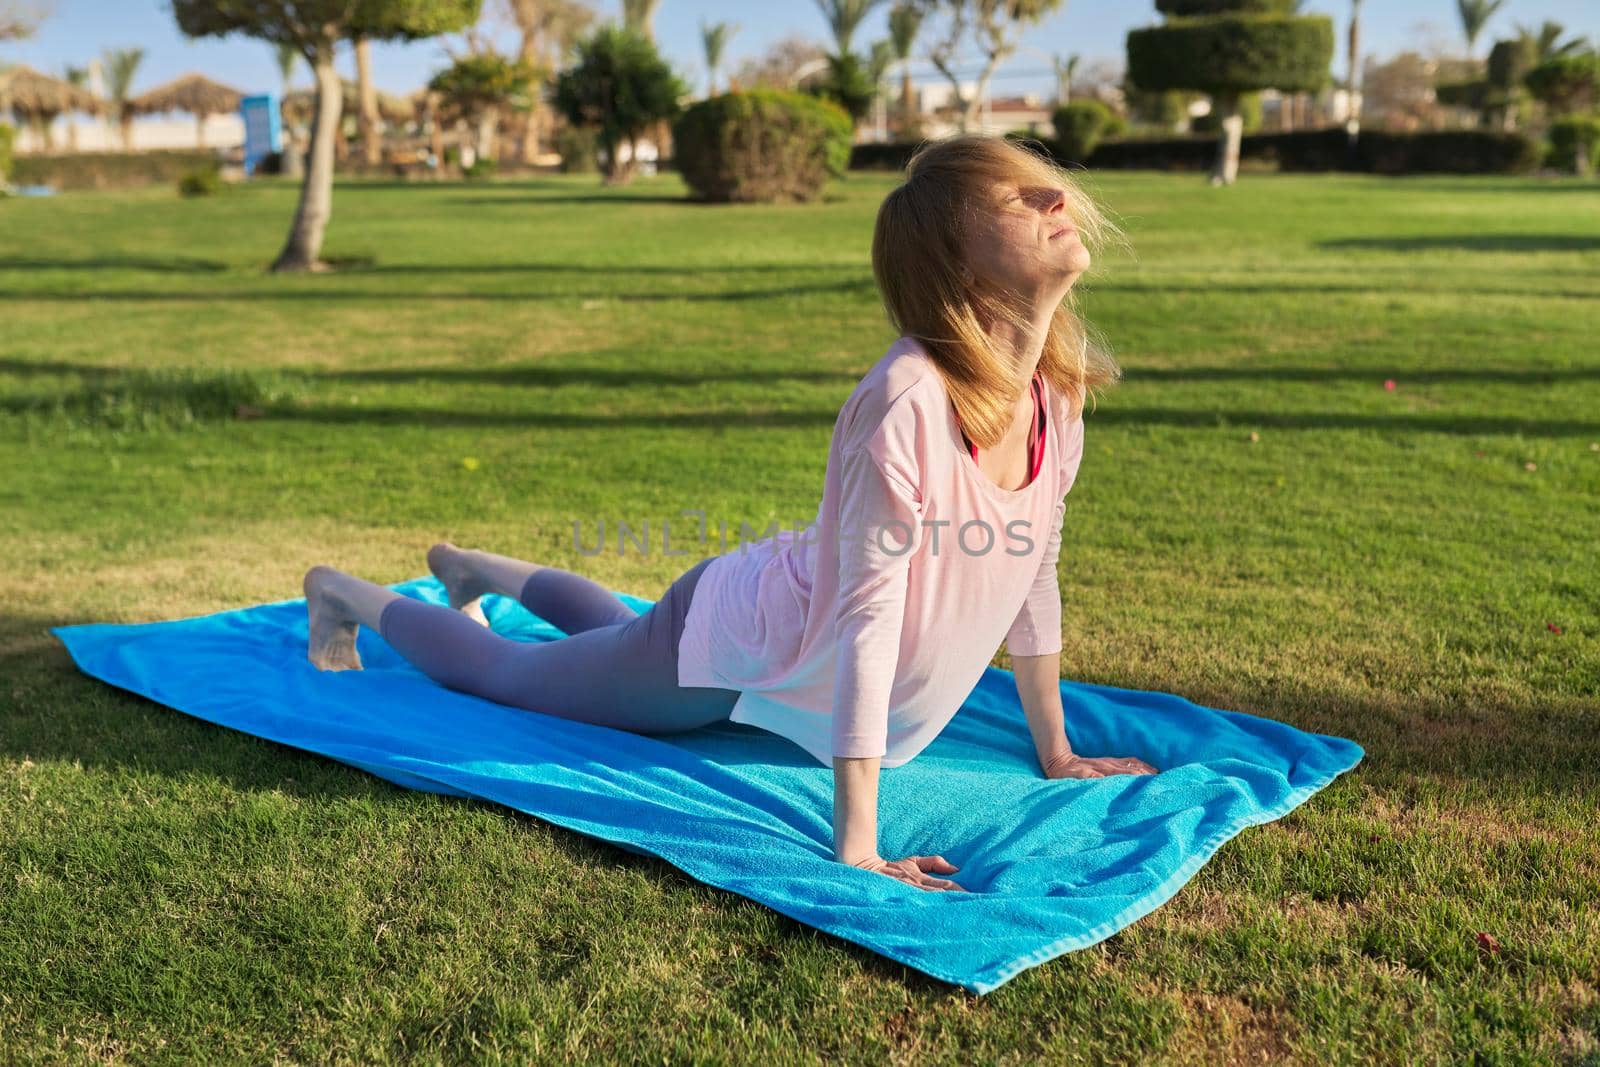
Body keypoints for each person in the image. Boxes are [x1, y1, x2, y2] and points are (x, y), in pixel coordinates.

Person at [301, 133, 1158, 895]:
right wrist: (857, 844)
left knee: (612, 633)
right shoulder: (907, 398)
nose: (1056, 196)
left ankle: (471, 568)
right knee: (511, 676)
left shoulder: (1057, 394)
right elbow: (871, 614)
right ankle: (344, 592)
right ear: (958, 264)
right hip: (740, 642)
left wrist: (1058, 750)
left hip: (763, 644)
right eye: (1017, 195)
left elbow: (1030, 565)